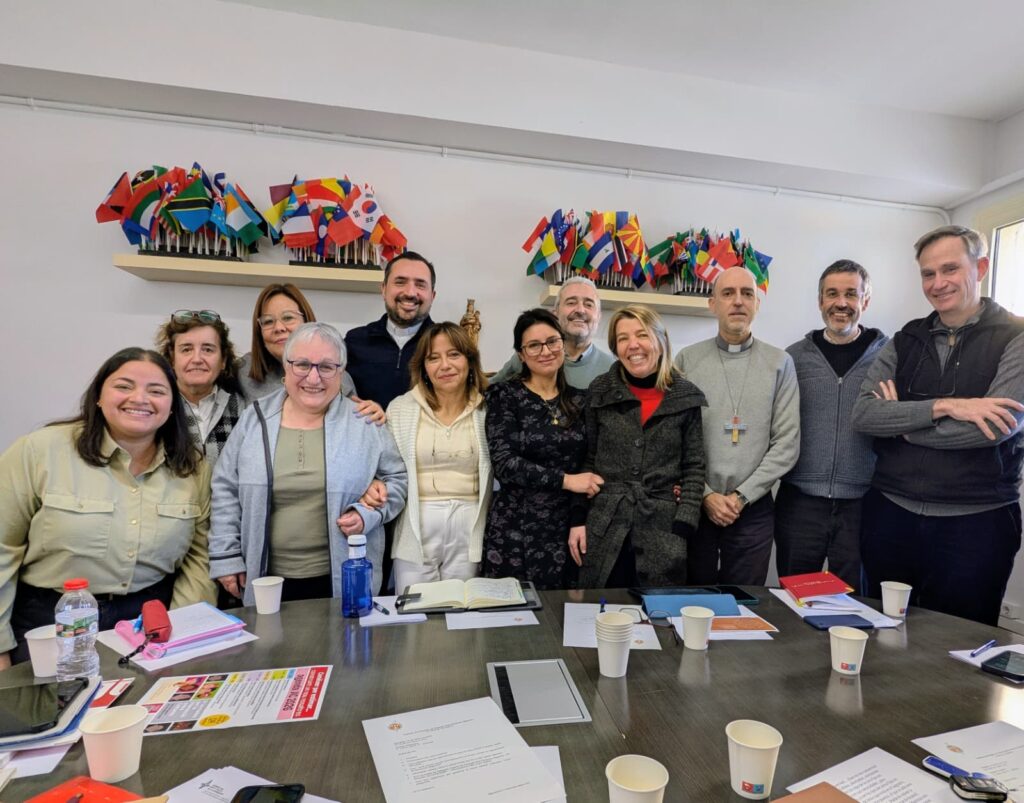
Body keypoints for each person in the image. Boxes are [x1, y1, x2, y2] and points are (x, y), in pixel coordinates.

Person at [0, 348, 217, 669]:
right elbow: (3, 548)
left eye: (157, 391)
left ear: (172, 405)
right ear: (99, 396)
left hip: (148, 622)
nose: (139, 398)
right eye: (124, 386)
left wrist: (182, 633)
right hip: (49, 622)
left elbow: (199, 558)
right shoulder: (39, 451)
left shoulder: (191, 468)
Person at [852, 225, 1024, 625]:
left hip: (976, 522)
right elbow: (864, 414)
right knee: (884, 634)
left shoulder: (1016, 337)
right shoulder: (905, 339)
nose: (938, 283)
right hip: (891, 514)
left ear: (981, 267)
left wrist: (902, 425)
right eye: (928, 273)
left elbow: (994, 427)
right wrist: (945, 407)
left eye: (950, 269)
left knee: (960, 642)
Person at [210, 323, 408, 605]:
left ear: (341, 372)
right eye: (302, 364)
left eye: (326, 367)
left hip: (343, 578)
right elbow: (225, 487)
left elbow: (397, 480)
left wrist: (368, 514)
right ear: (286, 366)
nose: (313, 378)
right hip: (265, 579)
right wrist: (226, 556)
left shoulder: (364, 421)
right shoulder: (254, 418)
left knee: (344, 636)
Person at [674, 266, 800, 585]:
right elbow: (672, 438)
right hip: (696, 503)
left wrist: (741, 497)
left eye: (747, 293)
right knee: (694, 598)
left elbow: (787, 443)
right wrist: (705, 495)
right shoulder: (687, 360)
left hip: (752, 507)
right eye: (728, 293)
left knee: (745, 601)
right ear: (712, 304)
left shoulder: (780, 363)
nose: (738, 301)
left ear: (757, 303)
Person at [569, 305, 706, 588]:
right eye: (623, 338)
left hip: (664, 529)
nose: (633, 345)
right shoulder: (600, 390)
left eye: (642, 335)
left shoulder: (685, 396)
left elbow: (694, 466)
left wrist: (684, 524)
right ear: (615, 348)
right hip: (605, 524)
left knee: (658, 610)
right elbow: (588, 459)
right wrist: (577, 519)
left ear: (660, 340)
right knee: (601, 606)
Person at [774, 262, 887, 590]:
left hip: (863, 502)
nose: (841, 303)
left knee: (858, 600)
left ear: (865, 300)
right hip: (800, 502)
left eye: (851, 294)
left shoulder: (888, 358)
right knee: (795, 595)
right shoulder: (793, 358)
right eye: (832, 294)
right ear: (820, 301)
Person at [482, 308, 601, 589]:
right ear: (521, 355)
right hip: (515, 529)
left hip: (569, 527)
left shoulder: (582, 401)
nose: (545, 351)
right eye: (534, 345)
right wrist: (567, 480)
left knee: (565, 611)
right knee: (514, 612)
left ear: (563, 344)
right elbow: (505, 464)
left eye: (552, 341)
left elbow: (590, 461)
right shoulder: (504, 396)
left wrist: (579, 516)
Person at [386, 322, 492, 592]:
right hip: (415, 529)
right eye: (433, 358)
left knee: (463, 609)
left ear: (469, 360)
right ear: (423, 366)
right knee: (414, 610)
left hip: (470, 527)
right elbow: (386, 471)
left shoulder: (488, 409)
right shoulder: (400, 409)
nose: (445, 365)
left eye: (454, 354)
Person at [238, 283, 382, 421]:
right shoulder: (242, 370)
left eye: (288, 318)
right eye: (268, 321)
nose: (279, 328)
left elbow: (356, 420)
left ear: (307, 322)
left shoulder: (337, 375)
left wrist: (372, 414)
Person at [344, 252, 437, 410]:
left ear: (432, 296)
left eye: (420, 285)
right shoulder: (354, 341)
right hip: (365, 426)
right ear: (384, 289)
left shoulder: (447, 346)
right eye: (400, 282)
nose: (410, 293)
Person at [490, 276, 614, 389]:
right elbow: (487, 389)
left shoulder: (613, 368)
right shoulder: (531, 356)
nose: (580, 310)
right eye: (571, 302)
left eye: (588, 304)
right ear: (555, 313)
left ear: (599, 316)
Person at [156, 309, 244, 466]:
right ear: (172, 358)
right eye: (186, 349)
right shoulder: (157, 406)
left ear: (223, 360)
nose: (197, 359)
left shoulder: (243, 408)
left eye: (208, 349)